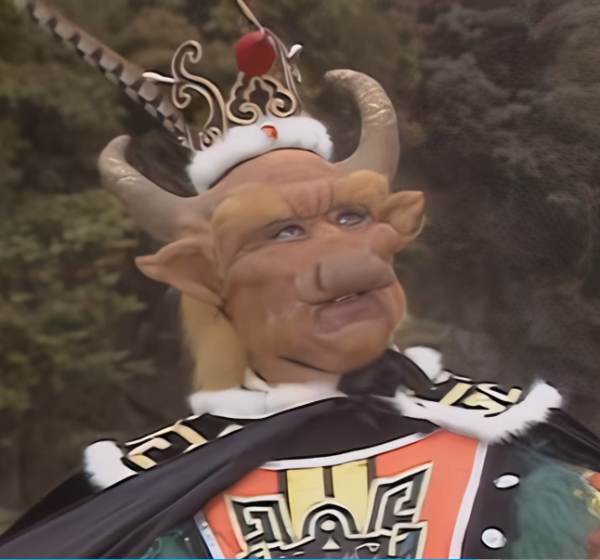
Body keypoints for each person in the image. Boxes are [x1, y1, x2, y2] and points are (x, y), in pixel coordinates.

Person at [3, 1, 600, 558]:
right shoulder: (139, 499)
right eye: (284, 231)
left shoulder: (532, 453)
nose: (345, 251)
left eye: (352, 216)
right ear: (204, 277)